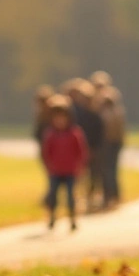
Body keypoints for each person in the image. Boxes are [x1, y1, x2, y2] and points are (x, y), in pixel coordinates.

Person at [41, 94, 88, 232]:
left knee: (70, 197)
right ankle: (52, 217)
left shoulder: (74, 133)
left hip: (70, 171)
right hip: (55, 171)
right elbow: (46, 153)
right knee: (53, 196)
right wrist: (48, 166)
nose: (60, 121)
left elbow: (81, 152)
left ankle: (72, 218)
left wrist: (80, 167)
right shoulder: (50, 134)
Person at [63, 78, 106, 211]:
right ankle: (80, 199)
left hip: (93, 148)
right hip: (80, 149)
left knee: (93, 175)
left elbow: (99, 132)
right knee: (80, 176)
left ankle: (90, 197)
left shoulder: (94, 114)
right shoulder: (75, 114)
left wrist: (93, 148)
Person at [90, 71, 126, 210]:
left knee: (108, 171)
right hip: (111, 143)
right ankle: (112, 196)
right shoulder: (112, 105)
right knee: (109, 170)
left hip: (108, 143)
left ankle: (110, 197)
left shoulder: (104, 104)